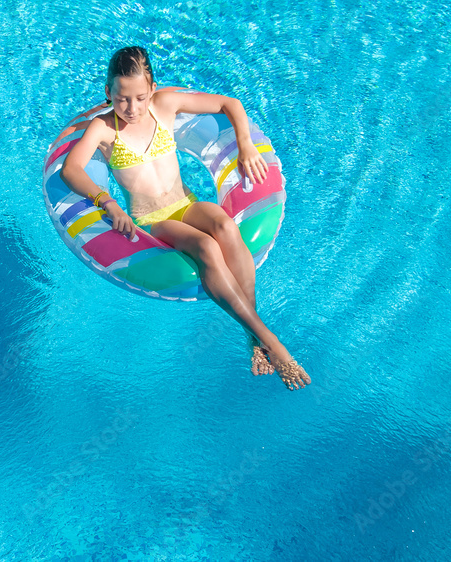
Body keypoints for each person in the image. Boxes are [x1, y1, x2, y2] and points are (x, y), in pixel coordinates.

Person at [60, 46, 310, 391]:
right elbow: (71, 169)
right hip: (151, 220)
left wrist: (245, 144)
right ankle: (272, 341)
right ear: (108, 93)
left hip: (186, 204)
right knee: (206, 246)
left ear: (153, 89)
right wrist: (107, 203)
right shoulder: (102, 128)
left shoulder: (165, 105)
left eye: (140, 97)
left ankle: (253, 340)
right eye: (122, 99)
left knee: (223, 223)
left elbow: (229, 104)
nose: (132, 108)